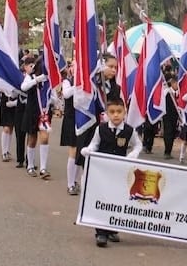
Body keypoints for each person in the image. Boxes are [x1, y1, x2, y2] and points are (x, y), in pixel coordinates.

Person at [80, 97, 142, 247]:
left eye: (119, 112)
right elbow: (94, 145)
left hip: (119, 171)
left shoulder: (129, 130)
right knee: (102, 199)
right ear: (107, 113)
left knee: (116, 200)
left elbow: (138, 145)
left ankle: (112, 229)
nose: (116, 115)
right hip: (102, 171)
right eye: (112, 112)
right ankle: (100, 233)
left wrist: (133, 154)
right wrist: (88, 150)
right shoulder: (100, 129)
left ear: (124, 112)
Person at [59, 65, 80, 194]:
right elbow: (66, 94)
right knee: (73, 150)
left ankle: (76, 180)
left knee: (80, 151)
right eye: (72, 65)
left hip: (82, 119)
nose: (74, 67)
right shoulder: (68, 81)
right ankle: (70, 183)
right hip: (71, 119)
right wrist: (79, 84)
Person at [161, 76, 182, 159]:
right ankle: (167, 152)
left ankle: (169, 150)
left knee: (173, 133)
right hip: (167, 115)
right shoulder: (167, 92)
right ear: (173, 83)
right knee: (168, 133)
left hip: (175, 116)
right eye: (176, 83)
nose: (177, 85)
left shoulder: (178, 93)